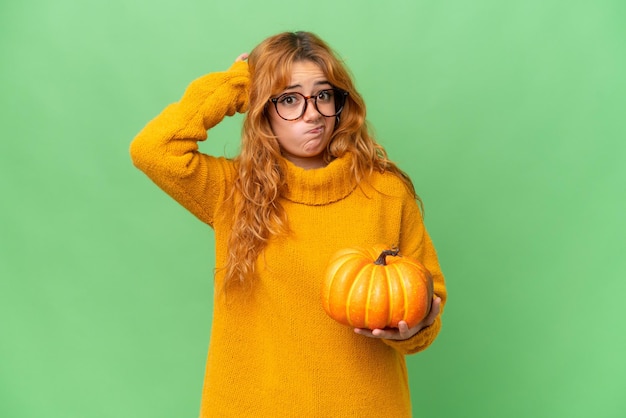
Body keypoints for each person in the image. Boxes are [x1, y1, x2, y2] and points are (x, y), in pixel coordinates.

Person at [130, 31, 447, 417]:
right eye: (289, 99)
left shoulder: (386, 192)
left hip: (365, 406)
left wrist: (414, 329)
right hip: (253, 405)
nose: (312, 113)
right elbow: (153, 149)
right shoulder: (234, 191)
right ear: (261, 108)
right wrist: (235, 84)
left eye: (323, 95)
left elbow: (425, 301)